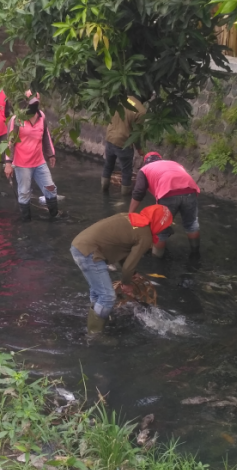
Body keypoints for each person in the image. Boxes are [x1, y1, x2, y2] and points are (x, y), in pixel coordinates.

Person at [71, 205, 173, 335]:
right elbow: (128, 266)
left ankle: (101, 318)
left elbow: (122, 250)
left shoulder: (131, 218)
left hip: (79, 245)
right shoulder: (145, 235)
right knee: (107, 297)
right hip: (90, 253)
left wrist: (133, 274)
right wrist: (126, 283)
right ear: (159, 223)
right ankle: (94, 334)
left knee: (98, 292)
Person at [129, 152, 201, 257]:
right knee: (191, 224)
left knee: (161, 230)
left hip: (167, 193)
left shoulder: (145, 169)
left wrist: (130, 213)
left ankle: (157, 261)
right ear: (160, 158)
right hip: (190, 190)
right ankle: (195, 255)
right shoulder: (174, 163)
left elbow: (139, 192)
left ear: (145, 162)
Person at [4, 91, 58, 221]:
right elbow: (10, 142)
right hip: (22, 164)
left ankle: (54, 218)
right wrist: (8, 164)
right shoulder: (16, 120)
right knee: (24, 193)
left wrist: (51, 154)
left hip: (39, 161)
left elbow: (46, 136)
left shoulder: (42, 117)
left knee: (50, 188)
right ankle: (26, 223)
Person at [103, 96, 146, 194]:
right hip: (124, 143)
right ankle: (124, 199)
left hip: (110, 138)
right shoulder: (141, 110)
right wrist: (139, 148)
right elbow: (136, 133)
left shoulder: (122, 99)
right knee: (126, 171)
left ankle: (104, 191)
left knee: (108, 166)